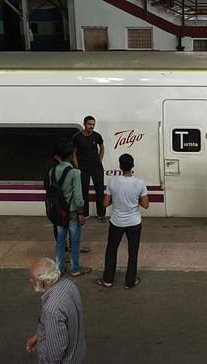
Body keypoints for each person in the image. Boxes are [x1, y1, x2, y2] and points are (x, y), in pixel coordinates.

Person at [96, 154, 149, 289]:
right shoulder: (140, 183)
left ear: (120, 166)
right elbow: (145, 205)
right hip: (134, 223)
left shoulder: (113, 181)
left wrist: (117, 199)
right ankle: (130, 282)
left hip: (116, 222)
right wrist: (133, 200)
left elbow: (106, 203)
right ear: (132, 166)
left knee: (111, 250)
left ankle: (107, 280)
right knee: (133, 252)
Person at [25, 257, 86, 364]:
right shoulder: (69, 284)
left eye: (33, 279)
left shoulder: (51, 309)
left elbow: (55, 354)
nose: (31, 281)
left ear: (41, 282)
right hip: (78, 353)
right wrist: (38, 336)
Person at [50, 142, 91, 277]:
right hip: (72, 211)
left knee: (60, 240)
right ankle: (75, 268)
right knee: (75, 240)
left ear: (58, 157)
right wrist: (81, 213)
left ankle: (59, 268)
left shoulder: (52, 171)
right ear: (71, 156)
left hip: (59, 211)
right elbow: (78, 196)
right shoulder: (74, 172)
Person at [72, 115, 106, 222]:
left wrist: (100, 160)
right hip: (83, 167)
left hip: (96, 167)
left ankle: (101, 214)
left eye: (93, 124)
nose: (91, 126)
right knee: (83, 191)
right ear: (84, 124)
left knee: (100, 191)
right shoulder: (77, 137)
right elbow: (73, 153)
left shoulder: (97, 136)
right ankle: (85, 214)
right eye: (89, 124)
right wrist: (77, 167)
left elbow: (102, 147)